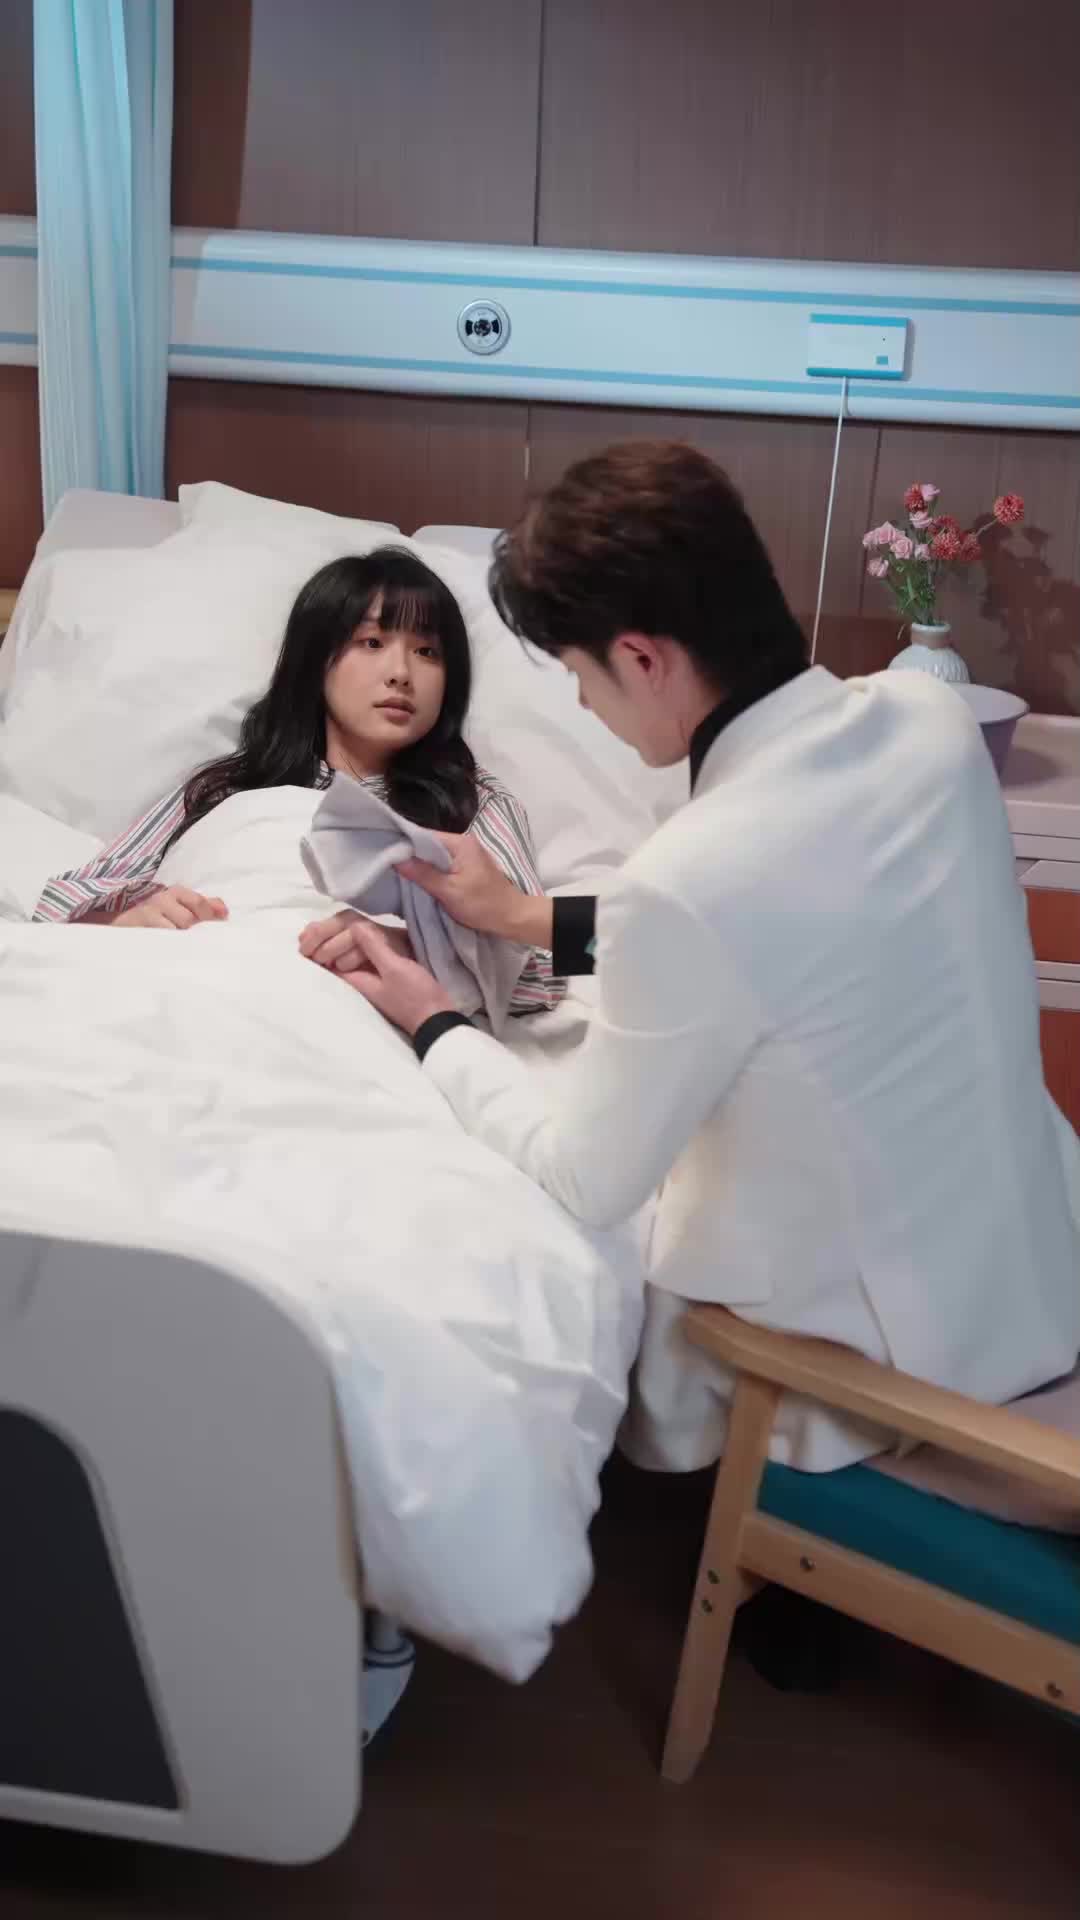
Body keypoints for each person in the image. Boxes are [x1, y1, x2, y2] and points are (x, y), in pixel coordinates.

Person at [300, 440, 1080, 1473]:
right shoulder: (928, 721)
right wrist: (522, 915)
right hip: (1041, 1272)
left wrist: (431, 1018)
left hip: (888, 1384)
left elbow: (586, 1177)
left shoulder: (692, 876)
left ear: (640, 659)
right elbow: (783, 928)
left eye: (578, 677)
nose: (585, 707)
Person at [34, 546, 562, 1021]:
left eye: (428, 652)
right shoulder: (226, 787)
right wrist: (129, 920)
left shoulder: (474, 804)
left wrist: (413, 948)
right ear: (316, 661)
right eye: (372, 641)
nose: (401, 672)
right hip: (179, 987)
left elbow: (540, 969)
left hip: (343, 1016)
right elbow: (64, 901)